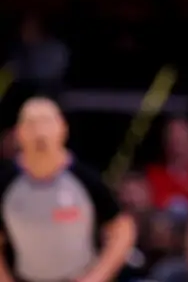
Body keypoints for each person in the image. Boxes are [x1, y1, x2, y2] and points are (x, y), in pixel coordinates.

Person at [0, 97, 136, 282]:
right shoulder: (6, 184)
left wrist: (98, 276)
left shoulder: (85, 179)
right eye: (31, 123)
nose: (40, 132)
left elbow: (122, 228)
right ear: (19, 133)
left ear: (62, 128)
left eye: (46, 122)